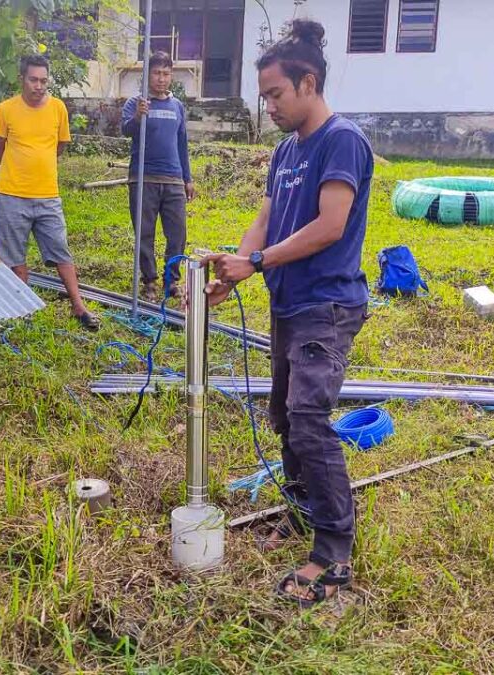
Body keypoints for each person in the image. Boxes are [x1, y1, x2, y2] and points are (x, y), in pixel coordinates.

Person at [203, 20, 374, 608]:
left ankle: (333, 547)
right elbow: (267, 217)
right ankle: (303, 508)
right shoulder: (284, 151)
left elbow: (330, 225)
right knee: (283, 412)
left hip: (327, 304)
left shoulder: (341, 140)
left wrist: (258, 261)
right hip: (290, 302)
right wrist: (237, 266)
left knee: (308, 414)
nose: (269, 106)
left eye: (276, 94)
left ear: (308, 82)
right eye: (265, 96)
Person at [0, 54, 100, 331]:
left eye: (43, 80)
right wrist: (18, 170)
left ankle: (78, 305)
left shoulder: (58, 108)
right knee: (14, 256)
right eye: (33, 80)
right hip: (11, 194)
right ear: (22, 79)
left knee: (60, 251)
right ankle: (22, 308)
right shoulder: (6, 109)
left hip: (48, 195)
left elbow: (60, 146)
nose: (39, 86)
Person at [121, 51, 194, 302]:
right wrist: (138, 116)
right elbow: (126, 131)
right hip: (144, 178)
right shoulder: (136, 104)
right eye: (156, 73)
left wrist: (188, 178)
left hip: (173, 179)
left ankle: (171, 280)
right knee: (145, 233)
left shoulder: (177, 106)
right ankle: (150, 281)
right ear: (147, 75)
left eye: (166, 73)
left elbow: (182, 143)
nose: (161, 79)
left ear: (171, 75)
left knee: (177, 233)